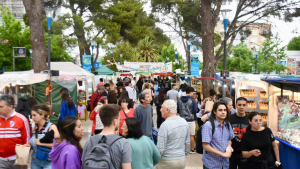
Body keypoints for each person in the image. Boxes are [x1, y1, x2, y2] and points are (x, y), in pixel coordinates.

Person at [82, 104, 132, 169]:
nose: (119, 121)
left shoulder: (89, 141)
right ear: (114, 121)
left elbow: (84, 164)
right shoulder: (123, 143)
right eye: (119, 119)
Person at [156, 100, 190, 169]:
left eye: (162, 107)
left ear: (167, 110)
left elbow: (160, 149)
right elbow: (187, 143)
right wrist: (183, 155)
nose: (160, 110)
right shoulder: (184, 122)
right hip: (181, 160)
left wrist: (154, 160)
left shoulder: (165, 125)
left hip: (167, 161)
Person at [0, 95, 30, 169]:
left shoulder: (22, 119)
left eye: (1, 107)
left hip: (17, 159)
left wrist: (24, 160)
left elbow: (27, 140)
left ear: (10, 106)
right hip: (1, 160)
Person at [202, 101, 234, 169]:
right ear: (214, 111)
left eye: (225, 110)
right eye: (220, 110)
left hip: (224, 164)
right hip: (211, 164)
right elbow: (205, 146)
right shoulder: (208, 125)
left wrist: (229, 146)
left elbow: (229, 139)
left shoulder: (227, 124)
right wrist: (222, 154)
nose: (223, 112)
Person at [30, 104, 60, 169]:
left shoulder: (51, 127)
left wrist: (41, 143)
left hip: (48, 161)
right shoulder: (34, 128)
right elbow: (33, 145)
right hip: (35, 161)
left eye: (34, 115)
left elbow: (58, 144)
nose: (32, 118)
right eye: (32, 115)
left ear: (42, 115)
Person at [229, 97, 249, 169]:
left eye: (244, 105)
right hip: (232, 152)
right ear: (236, 105)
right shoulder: (230, 118)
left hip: (245, 153)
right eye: (239, 105)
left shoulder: (249, 120)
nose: (241, 107)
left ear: (247, 106)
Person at [177, 86, 197, 153]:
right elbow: (195, 110)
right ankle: (192, 149)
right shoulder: (192, 101)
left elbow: (177, 110)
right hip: (190, 120)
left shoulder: (179, 100)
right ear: (191, 92)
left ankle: (182, 149)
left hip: (181, 120)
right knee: (191, 135)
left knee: (182, 135)